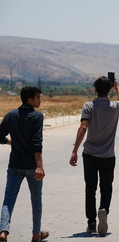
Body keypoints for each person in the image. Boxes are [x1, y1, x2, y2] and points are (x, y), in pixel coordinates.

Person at [69, 76, 119, 237]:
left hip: (90, 154)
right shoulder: (115, 106)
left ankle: (91, 222)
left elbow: (83, 127)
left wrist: (75, 150)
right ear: (109, 90)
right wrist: (118, 89)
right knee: (106, 186)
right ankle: (104, 210)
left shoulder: (89, 106)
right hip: (108, 155)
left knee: (90, 188)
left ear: (95, 89)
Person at [0, 86, 49, 242]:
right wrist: (39, 166)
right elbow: (37, 142)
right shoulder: (37, 117)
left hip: (14, 166)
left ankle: (3, 231)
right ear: (30, 100)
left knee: (9, 199)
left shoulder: (10, 116)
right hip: (32, 167)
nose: (40, 99)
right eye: (38, 97)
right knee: (36, 200)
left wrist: (10, 142)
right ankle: (35, 235)